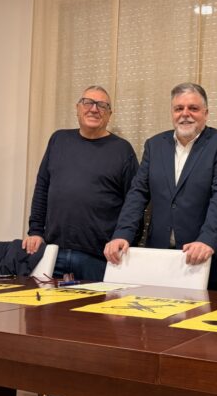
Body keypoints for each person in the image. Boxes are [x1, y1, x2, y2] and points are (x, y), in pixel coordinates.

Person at [104, 82, 217, 290]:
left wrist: (207, 240)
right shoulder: (154, 145)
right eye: (179, 108)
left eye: (193, 108)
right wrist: (122, 234)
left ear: (206, 113)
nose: (185, 114)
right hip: (161, 258)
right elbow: (137, 194)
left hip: (209, 260)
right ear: (172, 112)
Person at [23, 86, 139, 282]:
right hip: (53, 253)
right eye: (88, 103)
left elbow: (134, 202)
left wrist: (124, 237)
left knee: (97, 304)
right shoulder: (58, 140)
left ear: (109, 114)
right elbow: (42, 188)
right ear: (77, 108)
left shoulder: (122, 150)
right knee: (44, 303)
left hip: (99, 258)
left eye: (102, 105)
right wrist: (35, 231)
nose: (94, 109)